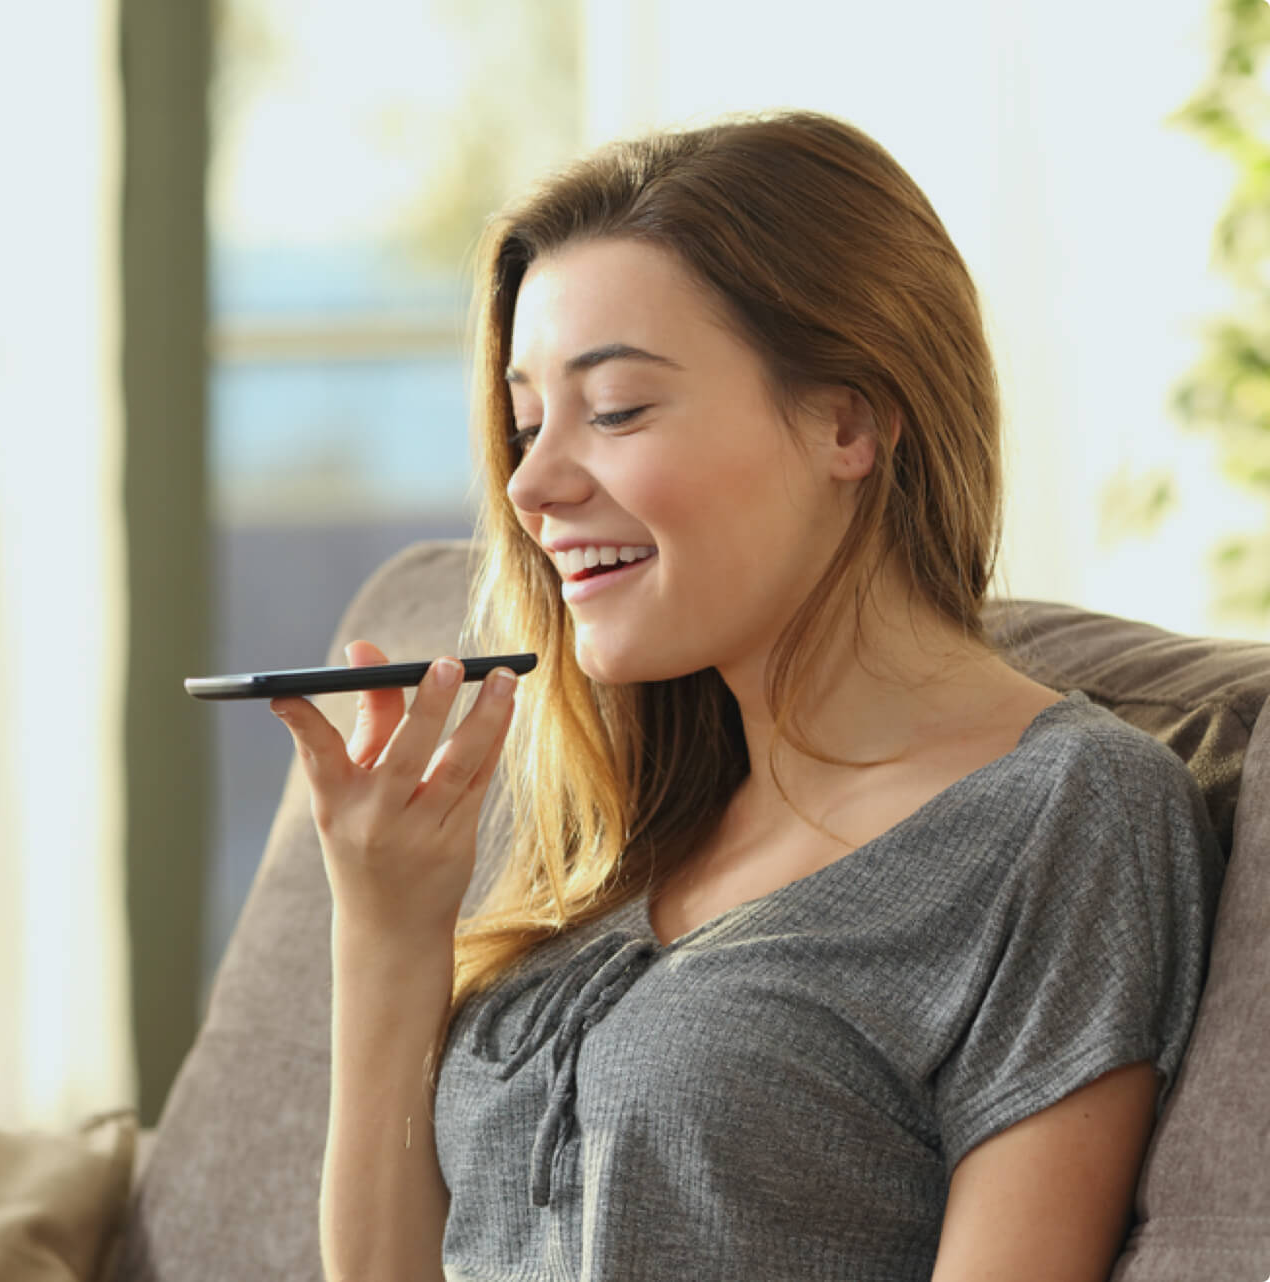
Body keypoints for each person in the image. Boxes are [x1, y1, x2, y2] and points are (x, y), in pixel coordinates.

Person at [269, 110, 1223, 1281]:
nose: (530, 484)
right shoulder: (636, 821)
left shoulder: (1071, 811)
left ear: (848, 421)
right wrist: (386, 921)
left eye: (615, 409)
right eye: (525, 425)